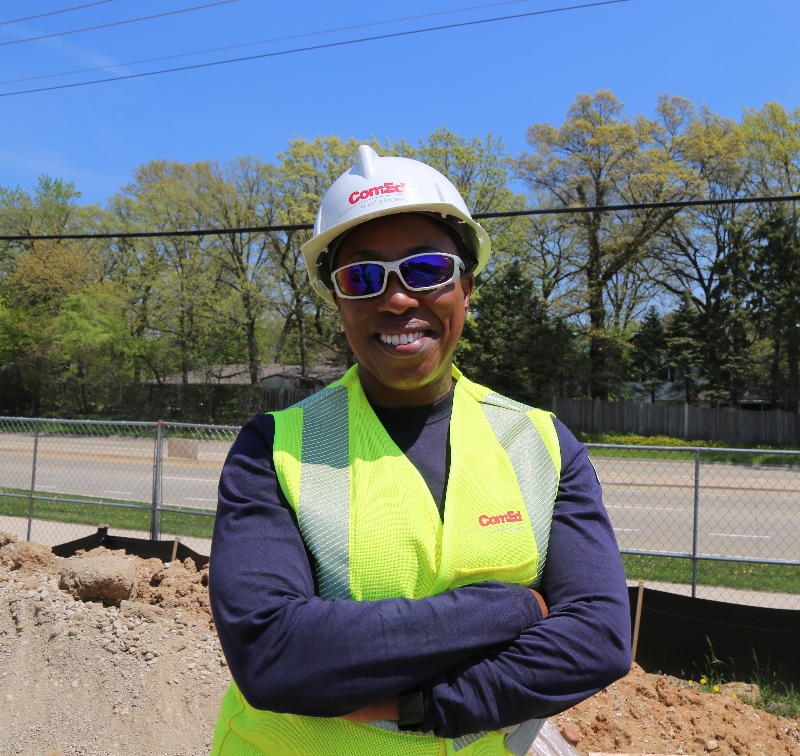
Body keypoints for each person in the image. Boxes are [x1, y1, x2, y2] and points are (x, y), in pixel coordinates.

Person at [208, 144, 631, 756]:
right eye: (362, 277)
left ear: (466, 285)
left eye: (427, 269)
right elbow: (274, 654)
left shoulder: (539, 442)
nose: (398, 298)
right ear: (338, 300)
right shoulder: (273, 449)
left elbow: (597, 639)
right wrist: (511, 607)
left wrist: (419, 707)